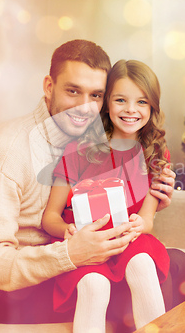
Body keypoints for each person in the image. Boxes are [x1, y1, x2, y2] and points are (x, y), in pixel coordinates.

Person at [0, 39, 185, 329]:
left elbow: (105, 193)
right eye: (73, 91)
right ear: (48, 86)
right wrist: (71, 253)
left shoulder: (87, 136)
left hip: (71, 257)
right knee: (173, 270)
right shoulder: (6, 154)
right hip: (11, 292)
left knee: (173, 263)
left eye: (96, 95)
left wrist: (153, 199)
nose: (85, 107)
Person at [42, 59, 170, 332]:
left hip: (127, 240)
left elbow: (147, 220)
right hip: (86, 242)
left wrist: (140, 224)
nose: (131, 110)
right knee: (94, 285)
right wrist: (69, 231)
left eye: (142, 102)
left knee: (143, 264)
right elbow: (50, 217)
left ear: (153, 106)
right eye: (121, 100)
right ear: (106, 103)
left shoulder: (157, 153)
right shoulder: (78, 149)